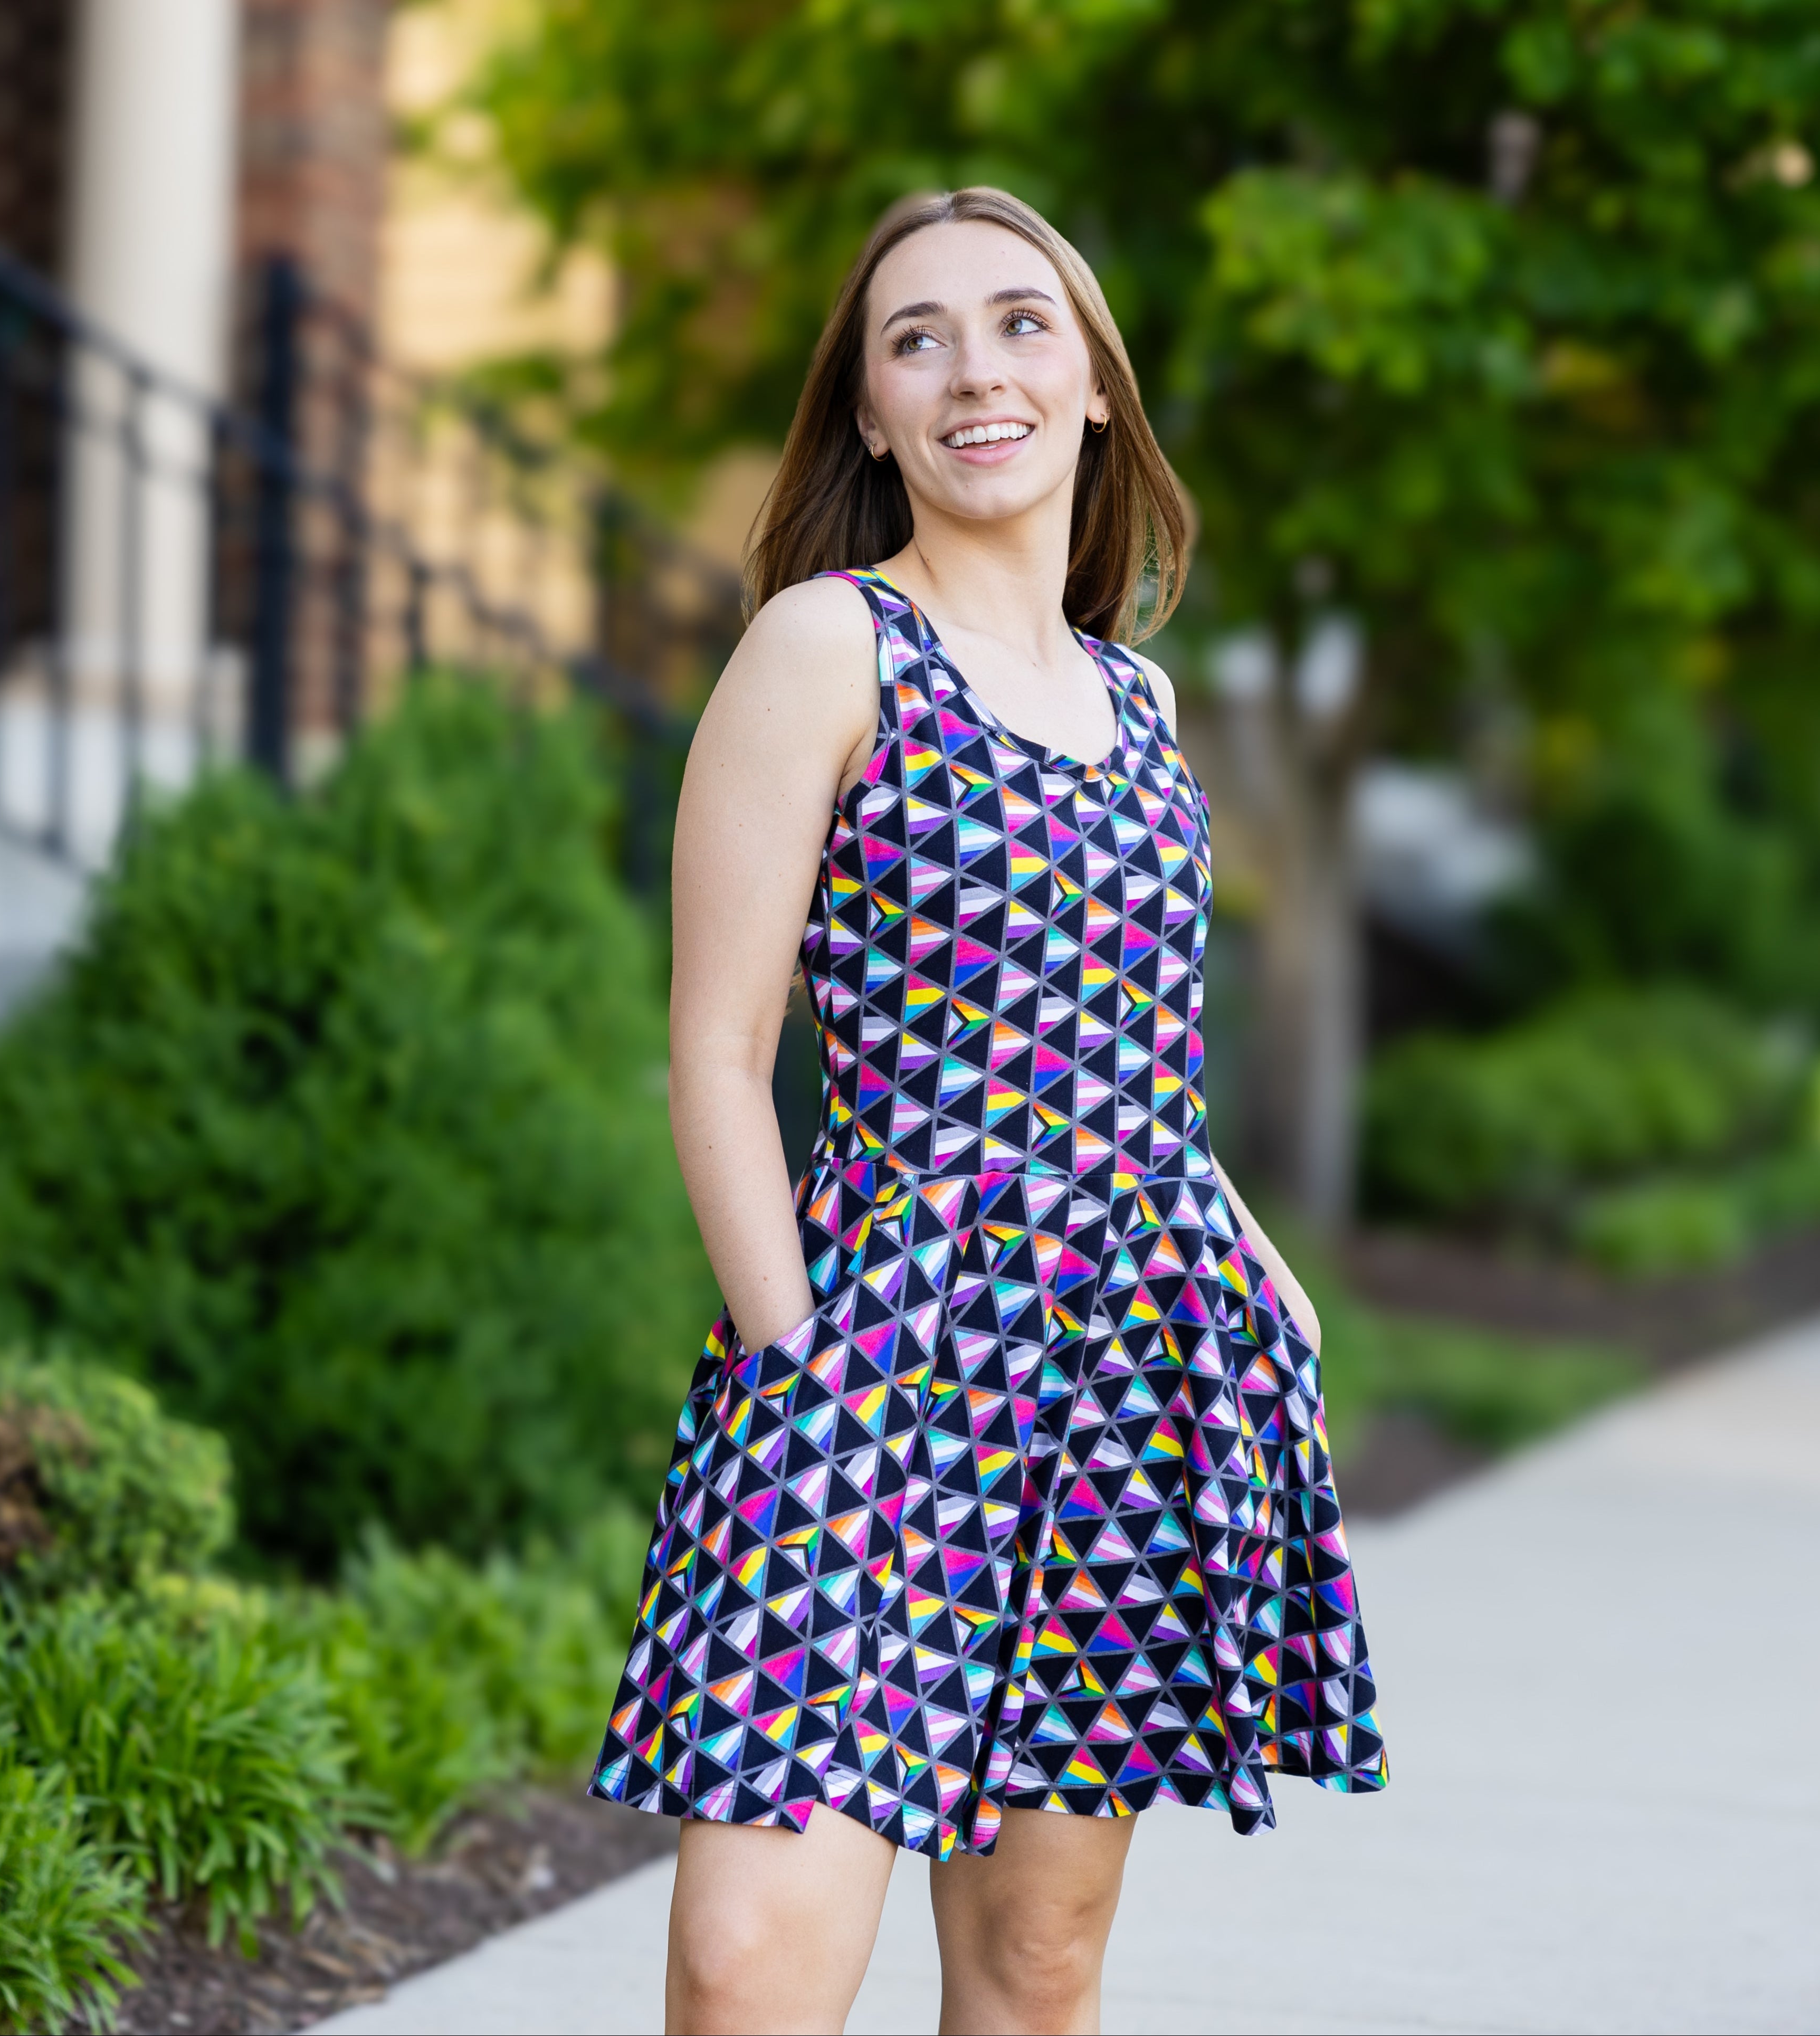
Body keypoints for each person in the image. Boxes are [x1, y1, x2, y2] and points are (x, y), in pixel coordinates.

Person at [588, 186, 1387, 2036]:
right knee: (744, 1973)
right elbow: (718, 1052)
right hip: (876, 1360)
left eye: (1022, 323)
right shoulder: (827, 646)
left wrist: (1270, 1280)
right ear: (869, 413)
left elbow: (1141, 1072)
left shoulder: (1141, 702)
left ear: (1096, 385)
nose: (974, 371)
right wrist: (800, 1366)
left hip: (1128, 1371)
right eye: (915, 337)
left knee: (1034, 1971)